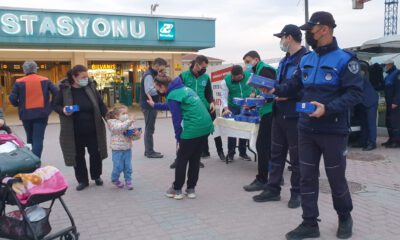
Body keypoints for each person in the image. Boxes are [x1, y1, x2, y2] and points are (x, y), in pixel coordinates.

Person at [264, 12, 363, 239]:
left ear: (325, 29)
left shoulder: (346, 60)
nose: (308, 33)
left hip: (333, 131)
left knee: (336, 178)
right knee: (306, 176)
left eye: (311, 28)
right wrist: (274, 89)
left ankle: (344, 217)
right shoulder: (306, 60)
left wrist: (327, 108)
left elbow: (355, 94)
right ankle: (310, 223)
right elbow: (294, 85)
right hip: (306, 129)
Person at [252, 25, 308, 209]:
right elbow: (280, 83)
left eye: (281, 38)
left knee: (297, 157)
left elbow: (301, 86)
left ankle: (297, 193)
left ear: (289, 37)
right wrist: (268, 88)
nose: (281, 42)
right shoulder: (285, 60)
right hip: (279, 111)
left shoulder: (305, 59)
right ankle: (273, 189)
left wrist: (281, 91)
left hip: (295, 114)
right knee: (275, 154)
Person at [147, 75, 214, 200]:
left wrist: (179, 139)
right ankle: (191, 189)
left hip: (192, 129)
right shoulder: (185, 89)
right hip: (205, 126)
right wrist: (155, 105)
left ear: (162, 86)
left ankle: (177, 189)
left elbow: (177, 121)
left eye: (156, 87)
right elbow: (172, 106)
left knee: (182, 159)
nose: (156, 90)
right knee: (194, 159)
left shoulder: (172, 95)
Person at [53, 65, 108, 191]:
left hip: (93, 129)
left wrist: (108, 119)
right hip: (74, 131)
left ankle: (96, 176)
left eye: (86, 76)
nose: (86, 79)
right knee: (78, 156)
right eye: (83, 77)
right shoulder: (64, 89)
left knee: (96, 153)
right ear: (74, 77)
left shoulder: (90, 87)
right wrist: (63, 110)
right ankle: (82, 180)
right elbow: (55, 105)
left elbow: (100, 105)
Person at [180, 55, 225, 165]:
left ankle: (220, 151)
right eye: (203, 67)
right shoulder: (183, 76)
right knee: (199, 131)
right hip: (191, 109)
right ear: (196, 65)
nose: (204, 69)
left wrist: (212, 102)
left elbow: (208, 93)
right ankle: (204, 151)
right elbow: (179, 91)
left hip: (206, 107)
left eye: (206, 67)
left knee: (215, 128)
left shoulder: (205, 77)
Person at [242, 51, 276, 192]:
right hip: (267, 111)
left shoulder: (265, 69)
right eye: (245, 62)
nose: (247, 65)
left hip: (271, 112)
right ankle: (275, 177)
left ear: (256, 59)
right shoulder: (258, 71)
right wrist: (253, 102)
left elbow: (270, 93)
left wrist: (255, 101)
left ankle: (262, 179)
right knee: (268, 146)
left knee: (262, 145)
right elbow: (263, 92)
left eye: (248, 61)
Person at [9, 60, 58, 158]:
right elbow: (57, 92)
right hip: (41, 114)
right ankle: (35, 161)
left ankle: (31, 159)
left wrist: (18, 105)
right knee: (38, 139)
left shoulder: (19, 82)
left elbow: (12, 98)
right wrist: (51, 106)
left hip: (26, 115)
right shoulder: (45, 80)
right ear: (36, 69)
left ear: (24, 70)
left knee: (30, 138)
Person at [221, 65, 253, 161]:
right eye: (234, 77)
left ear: (242, 74)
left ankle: (242, 153)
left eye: (238, 77)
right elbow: (224, 96)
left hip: (246, 106)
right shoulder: (225, 81)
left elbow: (255, 88)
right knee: (232, 130)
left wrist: (253, 93)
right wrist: (226, 108)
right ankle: (231, 153)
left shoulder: (250, 76)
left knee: (244, 129)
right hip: (233, 107)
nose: (236, 79)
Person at [106, 104, 141, 190]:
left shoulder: (128, 123)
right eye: (123, 113)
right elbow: (119, 128)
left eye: (126, 113)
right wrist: (129, 121)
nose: (126, 115)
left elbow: (132, 136)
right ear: (116, 115)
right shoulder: (112, 122)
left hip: (127, 149)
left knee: (128, 166)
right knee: (118, 166)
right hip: (117, 150)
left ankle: (128, 180)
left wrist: (136, 134)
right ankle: (115, 179)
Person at [140, 58, 167, 158]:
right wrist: (161, 90)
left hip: (150, 105)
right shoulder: (149, 75)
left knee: (150, 128)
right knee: (149, 128)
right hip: (148, 105)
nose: (162, 70)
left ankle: (149, 150)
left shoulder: (152, 74)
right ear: (156, 66)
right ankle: (149, 152)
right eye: (161, 68)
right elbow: (149, 90)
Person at [351, 61, 379, 151]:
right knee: (363, 123)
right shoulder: (357, 76)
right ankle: (362, 141)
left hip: (370, 101)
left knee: (370, 123)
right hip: (362, 103)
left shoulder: (359, 76)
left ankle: (372, 143)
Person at [382, 59, 400, 148]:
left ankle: (397, 142)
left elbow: (399, 89)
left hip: (395, 104)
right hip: (389, 103)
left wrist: (396, 102)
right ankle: (391, 139)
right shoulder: (388, 76)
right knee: (388, 122)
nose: (385, 67)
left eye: (385, 65)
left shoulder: (397, 74)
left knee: (395, 123)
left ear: (390, 65)